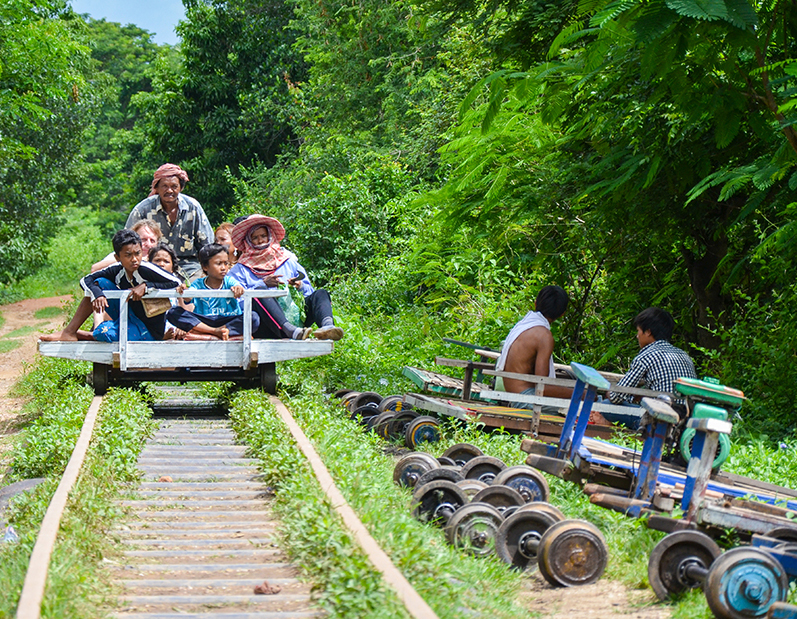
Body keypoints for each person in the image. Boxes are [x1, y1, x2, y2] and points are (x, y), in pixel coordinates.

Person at [40, 229, 181, 342]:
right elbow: (86, 280)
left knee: (103, 333)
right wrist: (98, 294)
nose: (134, 259)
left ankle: (87, 335)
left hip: (149, 329)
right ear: (117, 258)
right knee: (100, 283)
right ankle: (69, 332)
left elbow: (176, 282)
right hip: (128, 315)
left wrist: (146, 286)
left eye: (137, 253)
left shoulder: (146, 268)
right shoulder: (117, 270)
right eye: (128, 255)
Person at [228, 215, 344, 341]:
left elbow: (309, 291)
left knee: (321, 293)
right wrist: (263, 284)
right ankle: (289, 329)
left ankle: (328, 327)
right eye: (255, 238)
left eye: (263, 236)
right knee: (260, 294)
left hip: (297, 320)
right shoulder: (239, 270)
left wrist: (300, 286)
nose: (260, 240)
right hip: (267, 325)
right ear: (248, 241)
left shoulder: (287, 261)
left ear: (270, 236)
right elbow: (238, 303)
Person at [125, 163, 213, 279]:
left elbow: (207, 245)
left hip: (190, 268)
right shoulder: (143, 209)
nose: (169, 190)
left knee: (196, 290)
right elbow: (127, 243)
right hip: (152, 266)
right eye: (164, 186)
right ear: (157, 188)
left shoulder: (193, 207)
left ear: (180, 188)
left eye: (174, 186)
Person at [166, 244, 260, 340]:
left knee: (253, 317)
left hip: (228, 319)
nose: (223, 267)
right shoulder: (198, 284)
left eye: (226, 263)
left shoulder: (229, 281)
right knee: (173, 313)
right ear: (205, 267)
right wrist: (184, 291)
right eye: (219, 264)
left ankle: (206, 334)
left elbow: (237, 286)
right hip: (205, 320)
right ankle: (216, 332)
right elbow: (189, 297)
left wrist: (238, 289)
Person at [495, 285, 572, 401]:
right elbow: (542, 386)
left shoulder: (524, 325)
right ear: (562, 314)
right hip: (525, 398)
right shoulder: (544, 336)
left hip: (513, 392)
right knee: (582, 407)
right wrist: (582, 394)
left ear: (535, 303)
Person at [608, 307, 697, 405]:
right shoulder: (684, 355)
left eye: (638, 331)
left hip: (660, 415)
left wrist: (607, 392)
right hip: (686, 415)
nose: (637, 336)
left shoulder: (646, 356)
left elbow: (615, 397)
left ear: (648, 332)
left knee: (605, 403)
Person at [91, 220, 163, 272]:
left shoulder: (162, 259)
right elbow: (94, 269)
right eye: (143, 239)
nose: (148, 244)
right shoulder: (120, 254)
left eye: (152, 241)